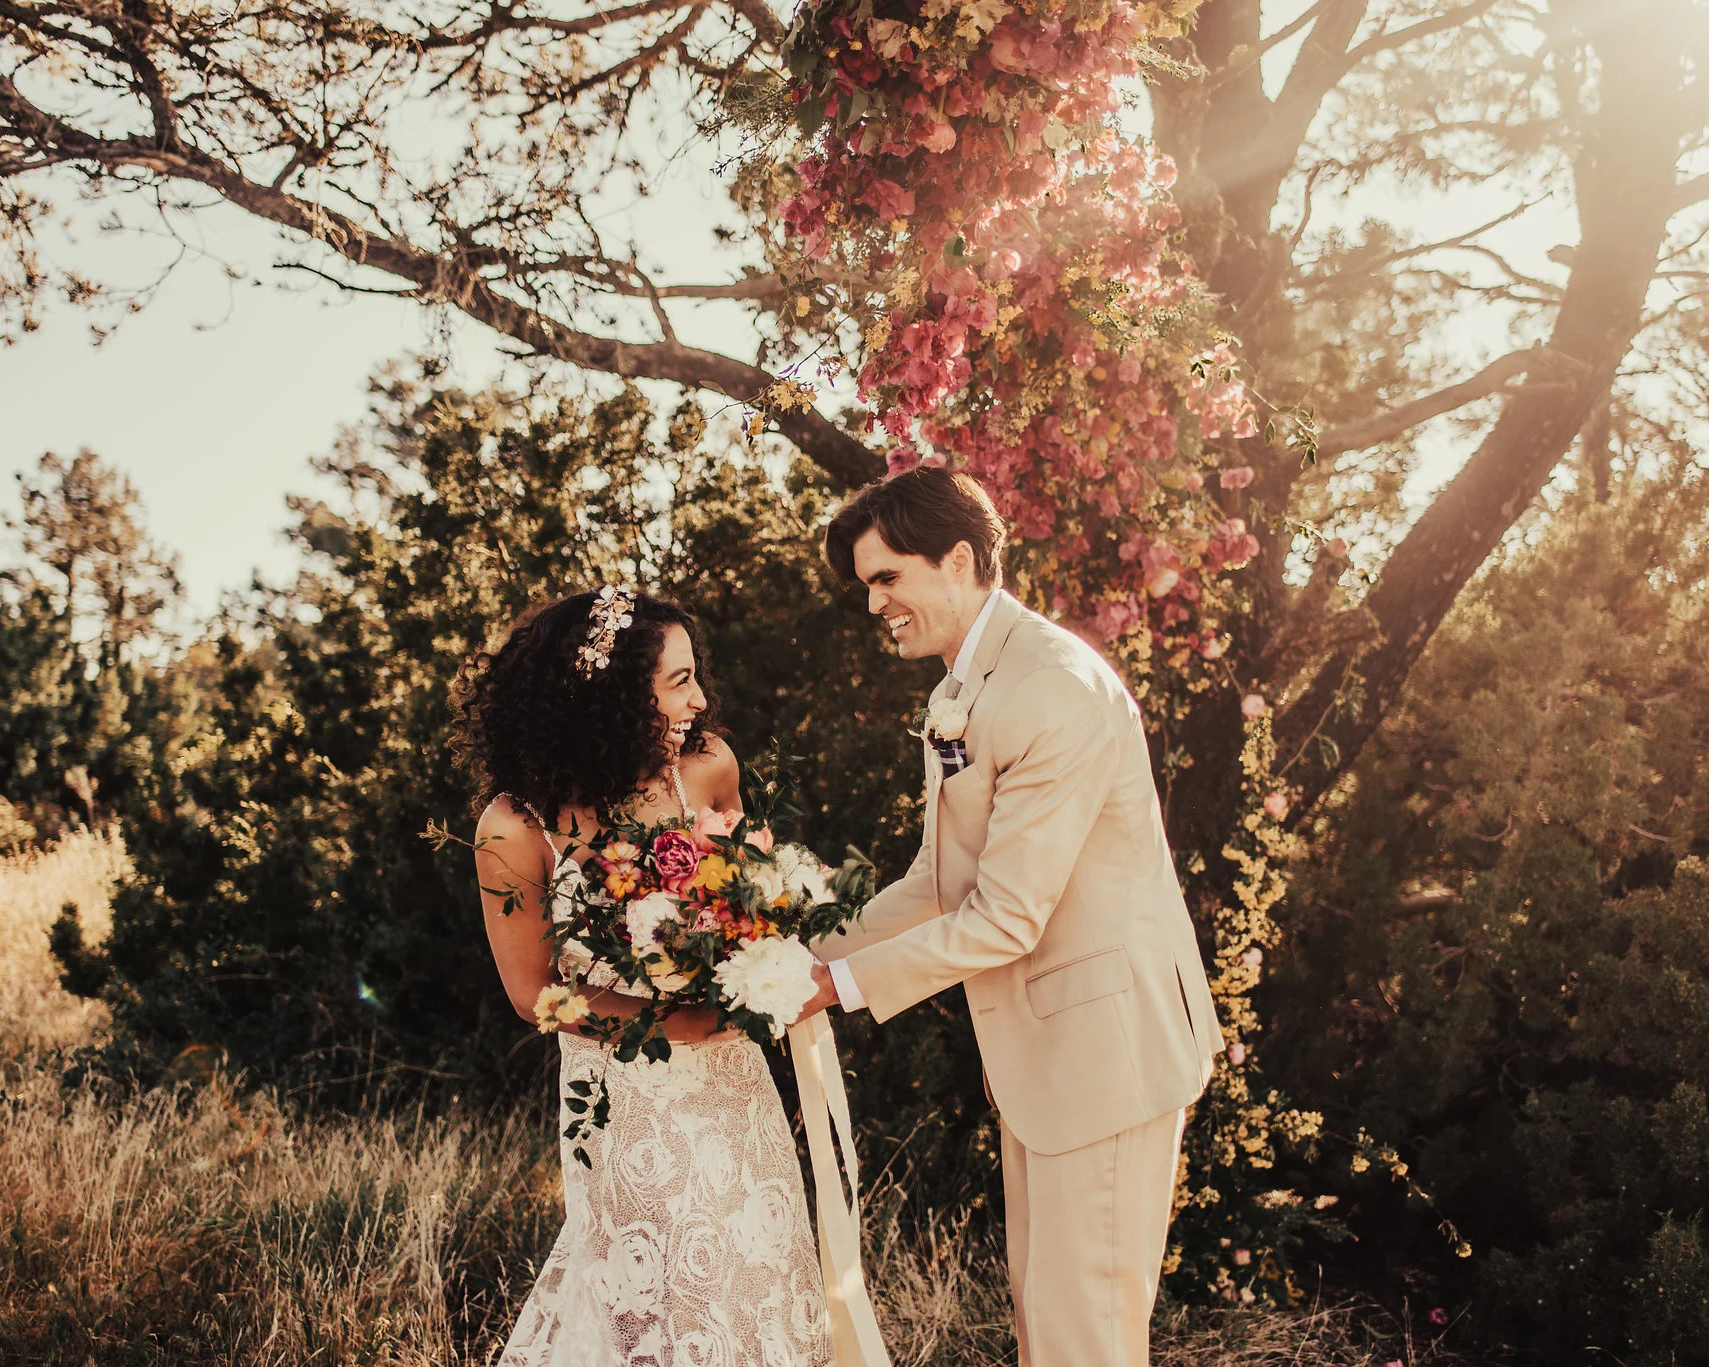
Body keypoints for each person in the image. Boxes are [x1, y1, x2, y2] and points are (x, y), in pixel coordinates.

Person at [796, 466, 1223, 1367]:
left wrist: (834, 988)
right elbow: (936, 884)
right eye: (867, 585)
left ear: (958, 560)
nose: (875, 604)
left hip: (1108, 1053)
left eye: (887, 578)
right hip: (1050, 1062)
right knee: (1048, 1321)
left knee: (1087, 1338)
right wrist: (782, 957)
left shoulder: (1049, 686)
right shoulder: (969, 685)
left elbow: (1003, 920)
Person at [462, 587, 835, 1367]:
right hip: (623, 1097)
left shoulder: (706, 770)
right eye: (678, 680)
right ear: (610, 694)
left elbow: (750, 899)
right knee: (657, 1292)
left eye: (695, 676)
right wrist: (675, 1021)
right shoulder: (514, 823)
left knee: (755, 1267)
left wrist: (755, 960)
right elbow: (534, 993)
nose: (699, 699)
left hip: (735, 1075)